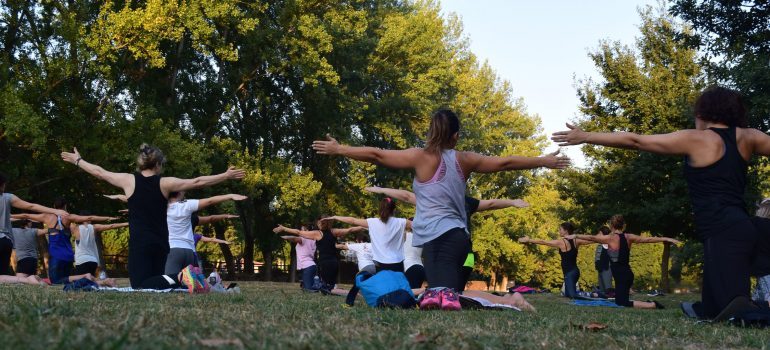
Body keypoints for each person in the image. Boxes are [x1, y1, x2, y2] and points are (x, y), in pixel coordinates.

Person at [314, 109, 568, 310]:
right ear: (455, 136)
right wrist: (542, 161)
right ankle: (506, 300)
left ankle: (510, 301)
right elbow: (505, 162)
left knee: (446, 296)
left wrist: (340, 149)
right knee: (442, 295)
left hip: (441, 240)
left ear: (431, 132)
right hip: (457, 239)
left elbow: (377, 155)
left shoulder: (420, 157)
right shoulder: (465, 159)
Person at [553, 86, 770, 318]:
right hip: (739, 230)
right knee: (713, 309)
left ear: (703, 114)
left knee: (736, 312)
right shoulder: (750, 137)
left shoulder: (697, 139)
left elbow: (636, 141)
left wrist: (587, 136)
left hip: (724, 235)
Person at [60, 144, 245, 289]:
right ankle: (194, 279)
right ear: (157, 164)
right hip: (161, 244)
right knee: (158, 283)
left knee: (140, 285)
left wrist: (79, 160)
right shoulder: (165, 183)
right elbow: (197, 182)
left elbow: (99, 172)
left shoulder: (128, 180)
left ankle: (183, 276)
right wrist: (225, 175)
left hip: (141, 243)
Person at [365, 186, 529, 290]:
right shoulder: (464, 201)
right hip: (464, 250)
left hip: (453, 252)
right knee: (454, 286)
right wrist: (512, 202)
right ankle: (453, 294)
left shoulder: (441, 201)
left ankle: (451, 294)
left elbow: (408, 197)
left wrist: (382, 190)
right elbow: (491, 204)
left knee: (452, 285)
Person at [567, 215, 680, 309]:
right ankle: (649, 303)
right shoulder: (629, 237)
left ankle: (653, 305)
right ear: (623, 225)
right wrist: (667, 238)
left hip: (622, 276)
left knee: (622, 303)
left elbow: (591, 237)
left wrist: (575, 235)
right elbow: (648, 239)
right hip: (626, 274)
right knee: (620, 300)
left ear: (611, 225)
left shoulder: (609, 238)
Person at [12, 198, 116, 284]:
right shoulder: (69, 217)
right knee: (67, 280)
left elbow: (26, 216)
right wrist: (109, 218)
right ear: (65, 206)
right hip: (69, 255)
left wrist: (10, 216)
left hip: (57, 255)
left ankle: (85, 276)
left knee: (55, 281)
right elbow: (90, 217)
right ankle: (100, 281)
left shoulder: (46, 217)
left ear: (53, 206)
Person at [0, 173, 69, 275]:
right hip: (6, 241)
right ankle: (31, 279)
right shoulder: (8, 197)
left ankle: (28, 280)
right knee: (2, 275)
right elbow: (31, 206)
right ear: (2, 185)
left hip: (6, 242)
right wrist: (55, 211)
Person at [273, 216, 366, 291]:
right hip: (334, 262)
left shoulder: (317, 234)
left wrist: (284, 228)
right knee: (331, 286)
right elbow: (350, 230)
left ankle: (341, 292)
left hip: (324, 263)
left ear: (321, 223)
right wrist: (364, 226)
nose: (318, 224)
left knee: (326, 288)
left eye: (319, 222)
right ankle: (335, 289)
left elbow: (298, 232)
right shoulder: (334, 231)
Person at [164, 191, 246, 275]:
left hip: (173, 249)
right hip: (190, 252)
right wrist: (229, 196)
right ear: (179, 193)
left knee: (170, 281)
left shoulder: (160, 208)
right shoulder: (187, 207)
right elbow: (210, 206)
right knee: (190, 284)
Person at [323, 197, 412, 272]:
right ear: (394, 210)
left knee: (383, 288)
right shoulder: (402, 222)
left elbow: (352, 220)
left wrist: (335, 217)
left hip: (380, 263)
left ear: (380, 209)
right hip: (397, 262)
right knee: (397, 287)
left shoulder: (372, 222)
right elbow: (419, 225)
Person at [518, 222, 592, 299]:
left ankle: (593, 296)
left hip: (569, 274)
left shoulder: (561, 242)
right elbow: (591, 240)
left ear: (566, 231)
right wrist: (601, 239)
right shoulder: (576, 241)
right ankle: (589, 294)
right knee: (567, 295)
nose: (559, 231)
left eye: (560, 229)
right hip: (575, 272)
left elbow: (543, 242)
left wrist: (529, 240)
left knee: (572, 296)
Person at [71, 213, 128, 286]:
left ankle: (106, 281)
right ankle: (107, 281)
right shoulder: (94, 227)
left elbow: (66, 218)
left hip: (81, 261)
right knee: (90, 282)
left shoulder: (75, 228)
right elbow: (112, 226)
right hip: (93, 260)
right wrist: (127, 223)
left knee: (80, 284)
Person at [280, 225, 319, 291]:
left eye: (303, 230)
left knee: (308, 289)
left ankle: (323, 287)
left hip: (307, 267)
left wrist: (285, 237)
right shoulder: (313, 240)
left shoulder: (304, 239)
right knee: (305, 287)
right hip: (310, 266)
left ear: (308, 231)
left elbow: (295, 239)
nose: (301, 232)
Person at [594, 226, 613, 293]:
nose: (598, 235)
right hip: (600, 268)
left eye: (600, 233)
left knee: (608, 288)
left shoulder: (608, 243)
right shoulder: (600, 244)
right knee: (602, 289)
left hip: (606, 268)